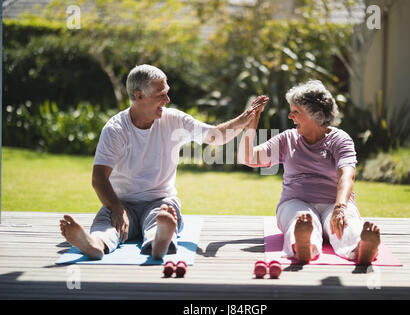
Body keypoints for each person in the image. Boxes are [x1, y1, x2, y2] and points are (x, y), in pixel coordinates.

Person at [59, 64, 266, 260]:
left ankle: (159, 243)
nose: (167, 99)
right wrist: (115, 207)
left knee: (162, 218)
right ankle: (94, 244)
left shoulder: (174, 120)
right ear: (139, 96)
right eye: (161, 94)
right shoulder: (116, 129)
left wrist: (244, 118)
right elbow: (99, 179)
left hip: (159, 201)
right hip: (122, 204)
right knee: (106, 227)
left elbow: (214, 136)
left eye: (166, 92)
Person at [238, 80, 380, 265]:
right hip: (295, 201)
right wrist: (251, 124)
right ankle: (303, 246)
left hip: (334, 202)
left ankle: (361, 247)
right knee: (301, 220)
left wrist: (340, 207)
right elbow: (248, 158)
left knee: (346, 222)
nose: (290, 116)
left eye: (296, 112)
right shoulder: (287, 139)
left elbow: (347, 175)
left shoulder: (340, 139)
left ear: (316, 115)